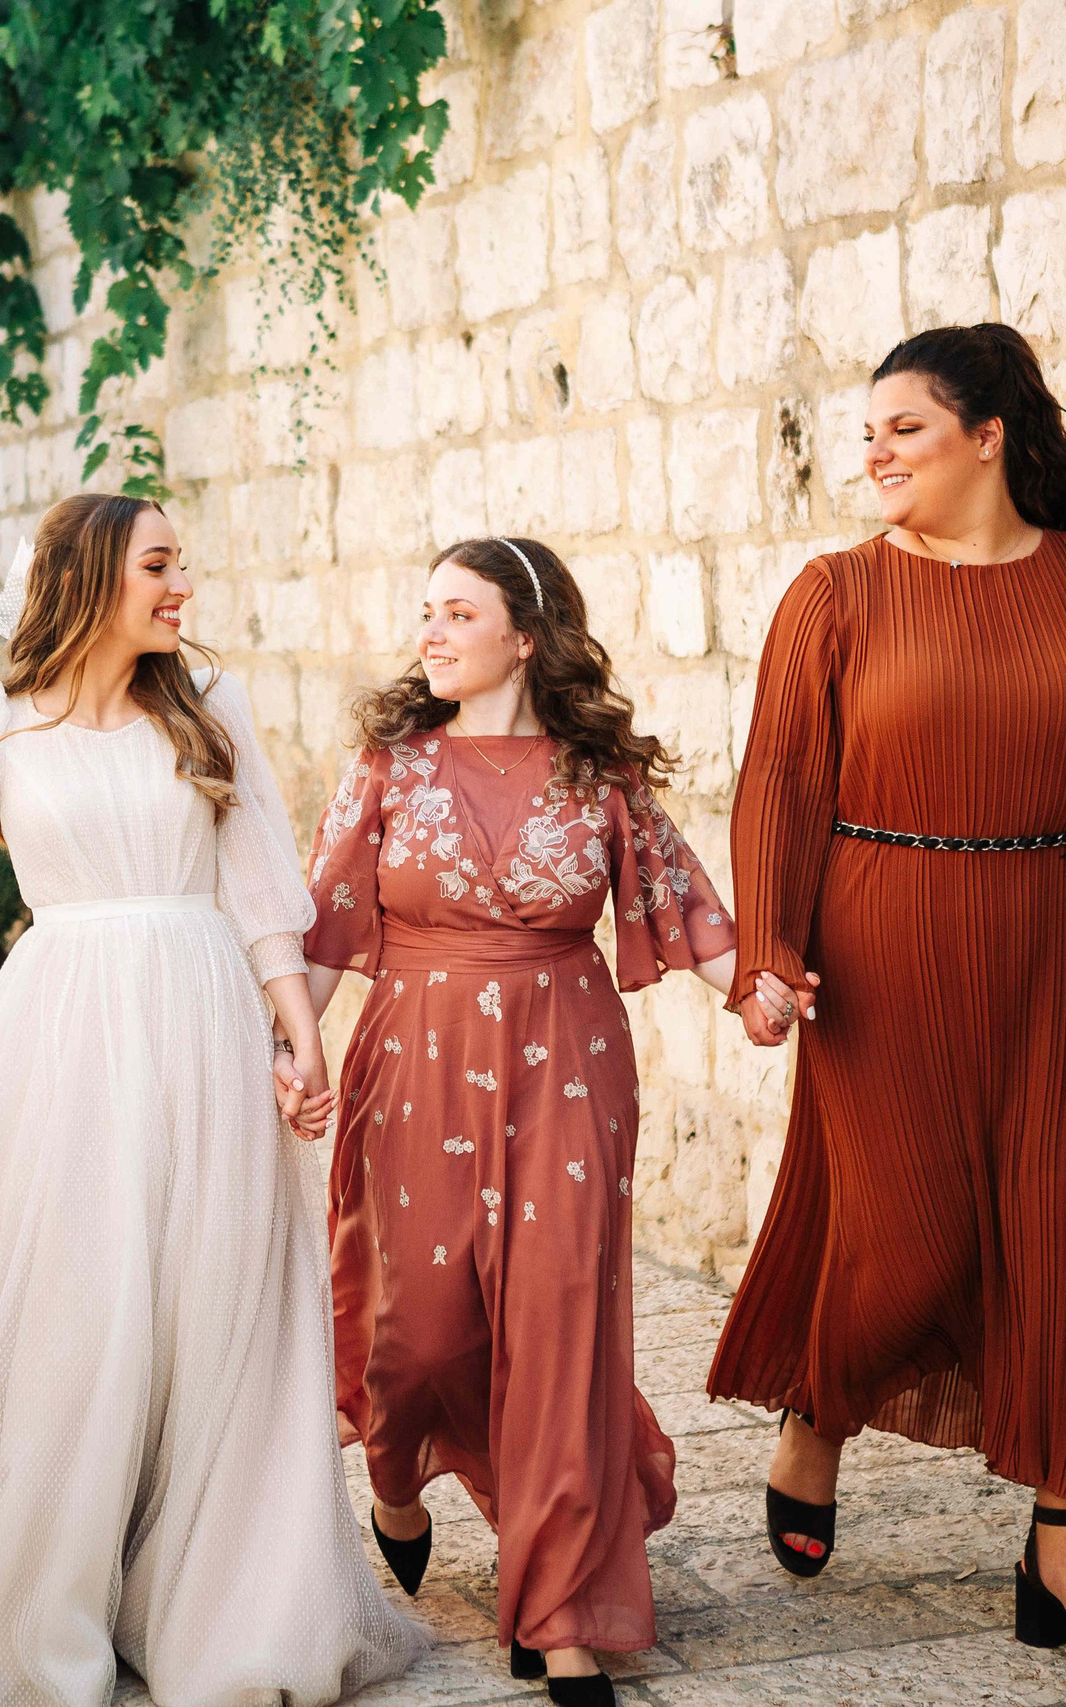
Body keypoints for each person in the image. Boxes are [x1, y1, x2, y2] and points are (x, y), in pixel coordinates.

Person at [0, 494, 429, 1707]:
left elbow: (260, 876)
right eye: (160, 566)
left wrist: (297, 1031)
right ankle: (44, 1595)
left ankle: (208, 1597)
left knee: (207, 1304)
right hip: (64, 1027)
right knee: (81, 1301)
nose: (183, 587)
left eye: (183, 565)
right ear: (87, 576)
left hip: (203, 1019)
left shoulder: (209, 706)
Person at [707, 323, 1066, 1686]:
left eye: (904, 429)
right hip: (890, 950)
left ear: (987, 437)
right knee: (903, 1231)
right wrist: (771, 948)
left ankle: (1065, 1541)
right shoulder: (836, 593)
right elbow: (781, 782)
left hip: (1064, 945)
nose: (872, 452)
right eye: (865, 432)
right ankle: (820, 1409)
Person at [301, 537, 761, 1703]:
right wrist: (289, 1046)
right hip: (414, 1067)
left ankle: (558, 1609)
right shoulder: (388, 767)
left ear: (526, 632)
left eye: (458, 612)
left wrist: (755, 992)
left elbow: (680, 900)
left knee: (558, 1327)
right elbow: (323, 925)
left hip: (566, 1065)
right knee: (421, 1333)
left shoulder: (598, 777)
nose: (432, 633)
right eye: (426, 614)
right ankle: (396, 1468)